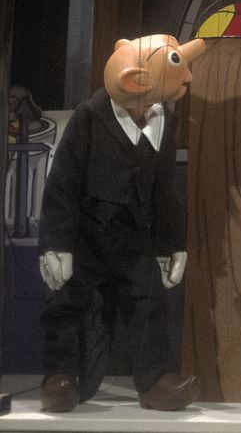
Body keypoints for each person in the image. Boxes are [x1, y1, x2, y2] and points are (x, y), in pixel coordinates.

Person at [38, 35, 205, 412]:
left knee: (149, 301)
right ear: (134, 81)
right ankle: (60, 375)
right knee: (67, 301)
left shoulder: (164, 119)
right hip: (85, 233)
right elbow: (62, 182)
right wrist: (56, 243)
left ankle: (157, 379)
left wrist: (172, 244)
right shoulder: (90, 116)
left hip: (133, 236)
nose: (188, 79)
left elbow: (165, 189)